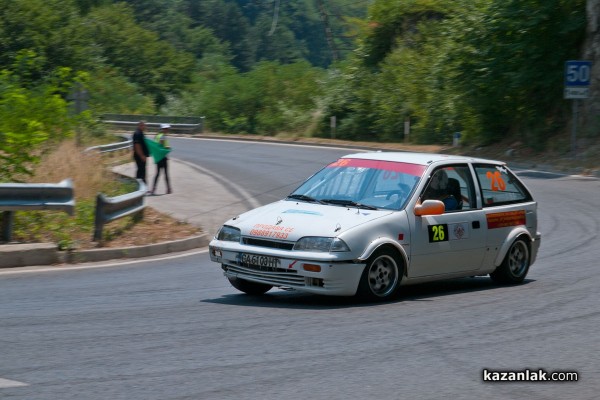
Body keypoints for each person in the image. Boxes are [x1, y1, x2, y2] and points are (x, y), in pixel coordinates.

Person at [150, 123, 172, 195]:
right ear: (163, 129)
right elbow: (161, 146)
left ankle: (153, 189)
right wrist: (167, 147)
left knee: (157, 174)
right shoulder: (162, 136)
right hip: (162, 158)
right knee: (165, 173)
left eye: (167, 128)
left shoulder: (157, 136)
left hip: (158, 157)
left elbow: (156, 146)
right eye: (166, 128)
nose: (167, 130)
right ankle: (168, 189)